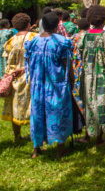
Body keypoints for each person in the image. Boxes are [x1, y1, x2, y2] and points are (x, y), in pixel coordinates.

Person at [25, 12, 74, 158]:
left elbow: (29, 62)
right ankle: (60, 149)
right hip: (56, 84)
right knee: (58, 113)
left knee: (38, 113)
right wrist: (71, 79)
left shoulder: (33, 41)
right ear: (57, 25)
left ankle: (36, 149)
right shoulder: (61, 41)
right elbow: (67, 64)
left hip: (38, 84)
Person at [78, 5, 105, 145]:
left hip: (88, 75)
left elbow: (80, 53)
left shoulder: (84, 36)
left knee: (89, 104)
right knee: (102, 104)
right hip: (104, 75)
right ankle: (100, 137)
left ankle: (88, 135)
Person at [1, 14, 37, 141]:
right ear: (28, 25)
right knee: (33, 106)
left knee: (14, 106)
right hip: (30, 75)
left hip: (13, 76)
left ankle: (17, 136)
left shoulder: (10, 41)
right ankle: (36, 137)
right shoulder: (33, 37)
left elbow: (7, 58)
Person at [71, 18, 90, 113]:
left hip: (75, 66)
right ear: (88, 26)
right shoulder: (88, 37)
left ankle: (79, 110)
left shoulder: (73, 38)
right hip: (87, 66)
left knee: (76, 89)